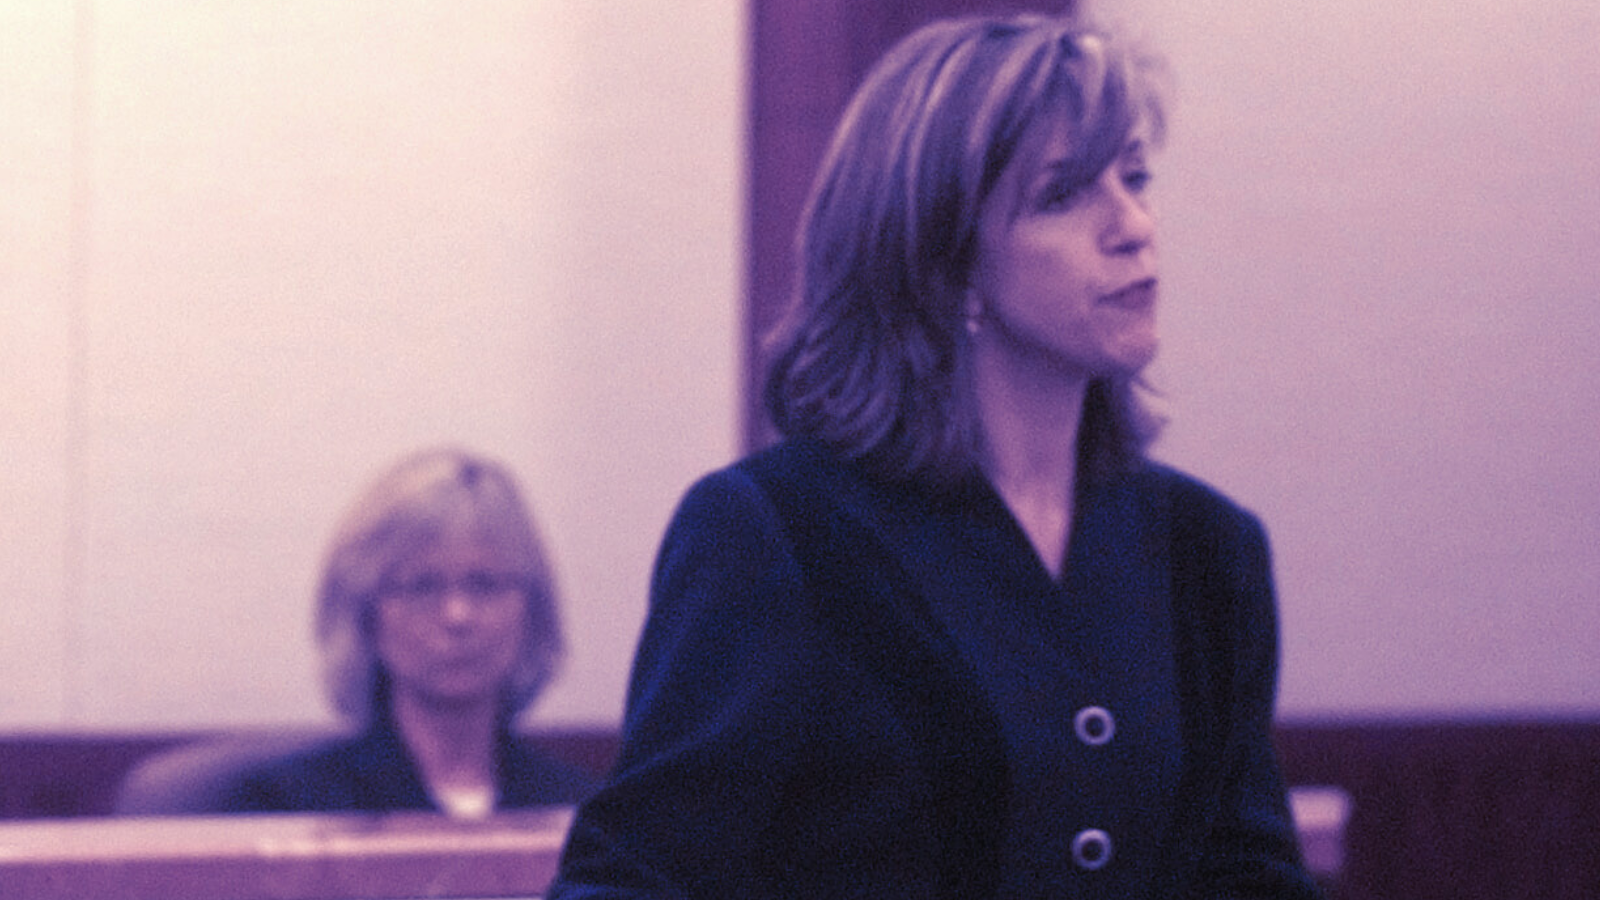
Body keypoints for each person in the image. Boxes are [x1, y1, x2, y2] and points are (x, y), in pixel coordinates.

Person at [550, 10, 1322, 900]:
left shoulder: (1205, 550)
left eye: (1136, 178)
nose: (1134, 225)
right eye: (1065, 195)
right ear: (944, 259)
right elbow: (634, 880)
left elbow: (1245, 873)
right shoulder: (779, 536)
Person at [222, 446, 596, 816]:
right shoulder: (295, 807)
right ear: (365, 612)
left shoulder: (585, 811)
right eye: (422, 586)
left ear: (533, 607)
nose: (458, 616)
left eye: (484, 584)